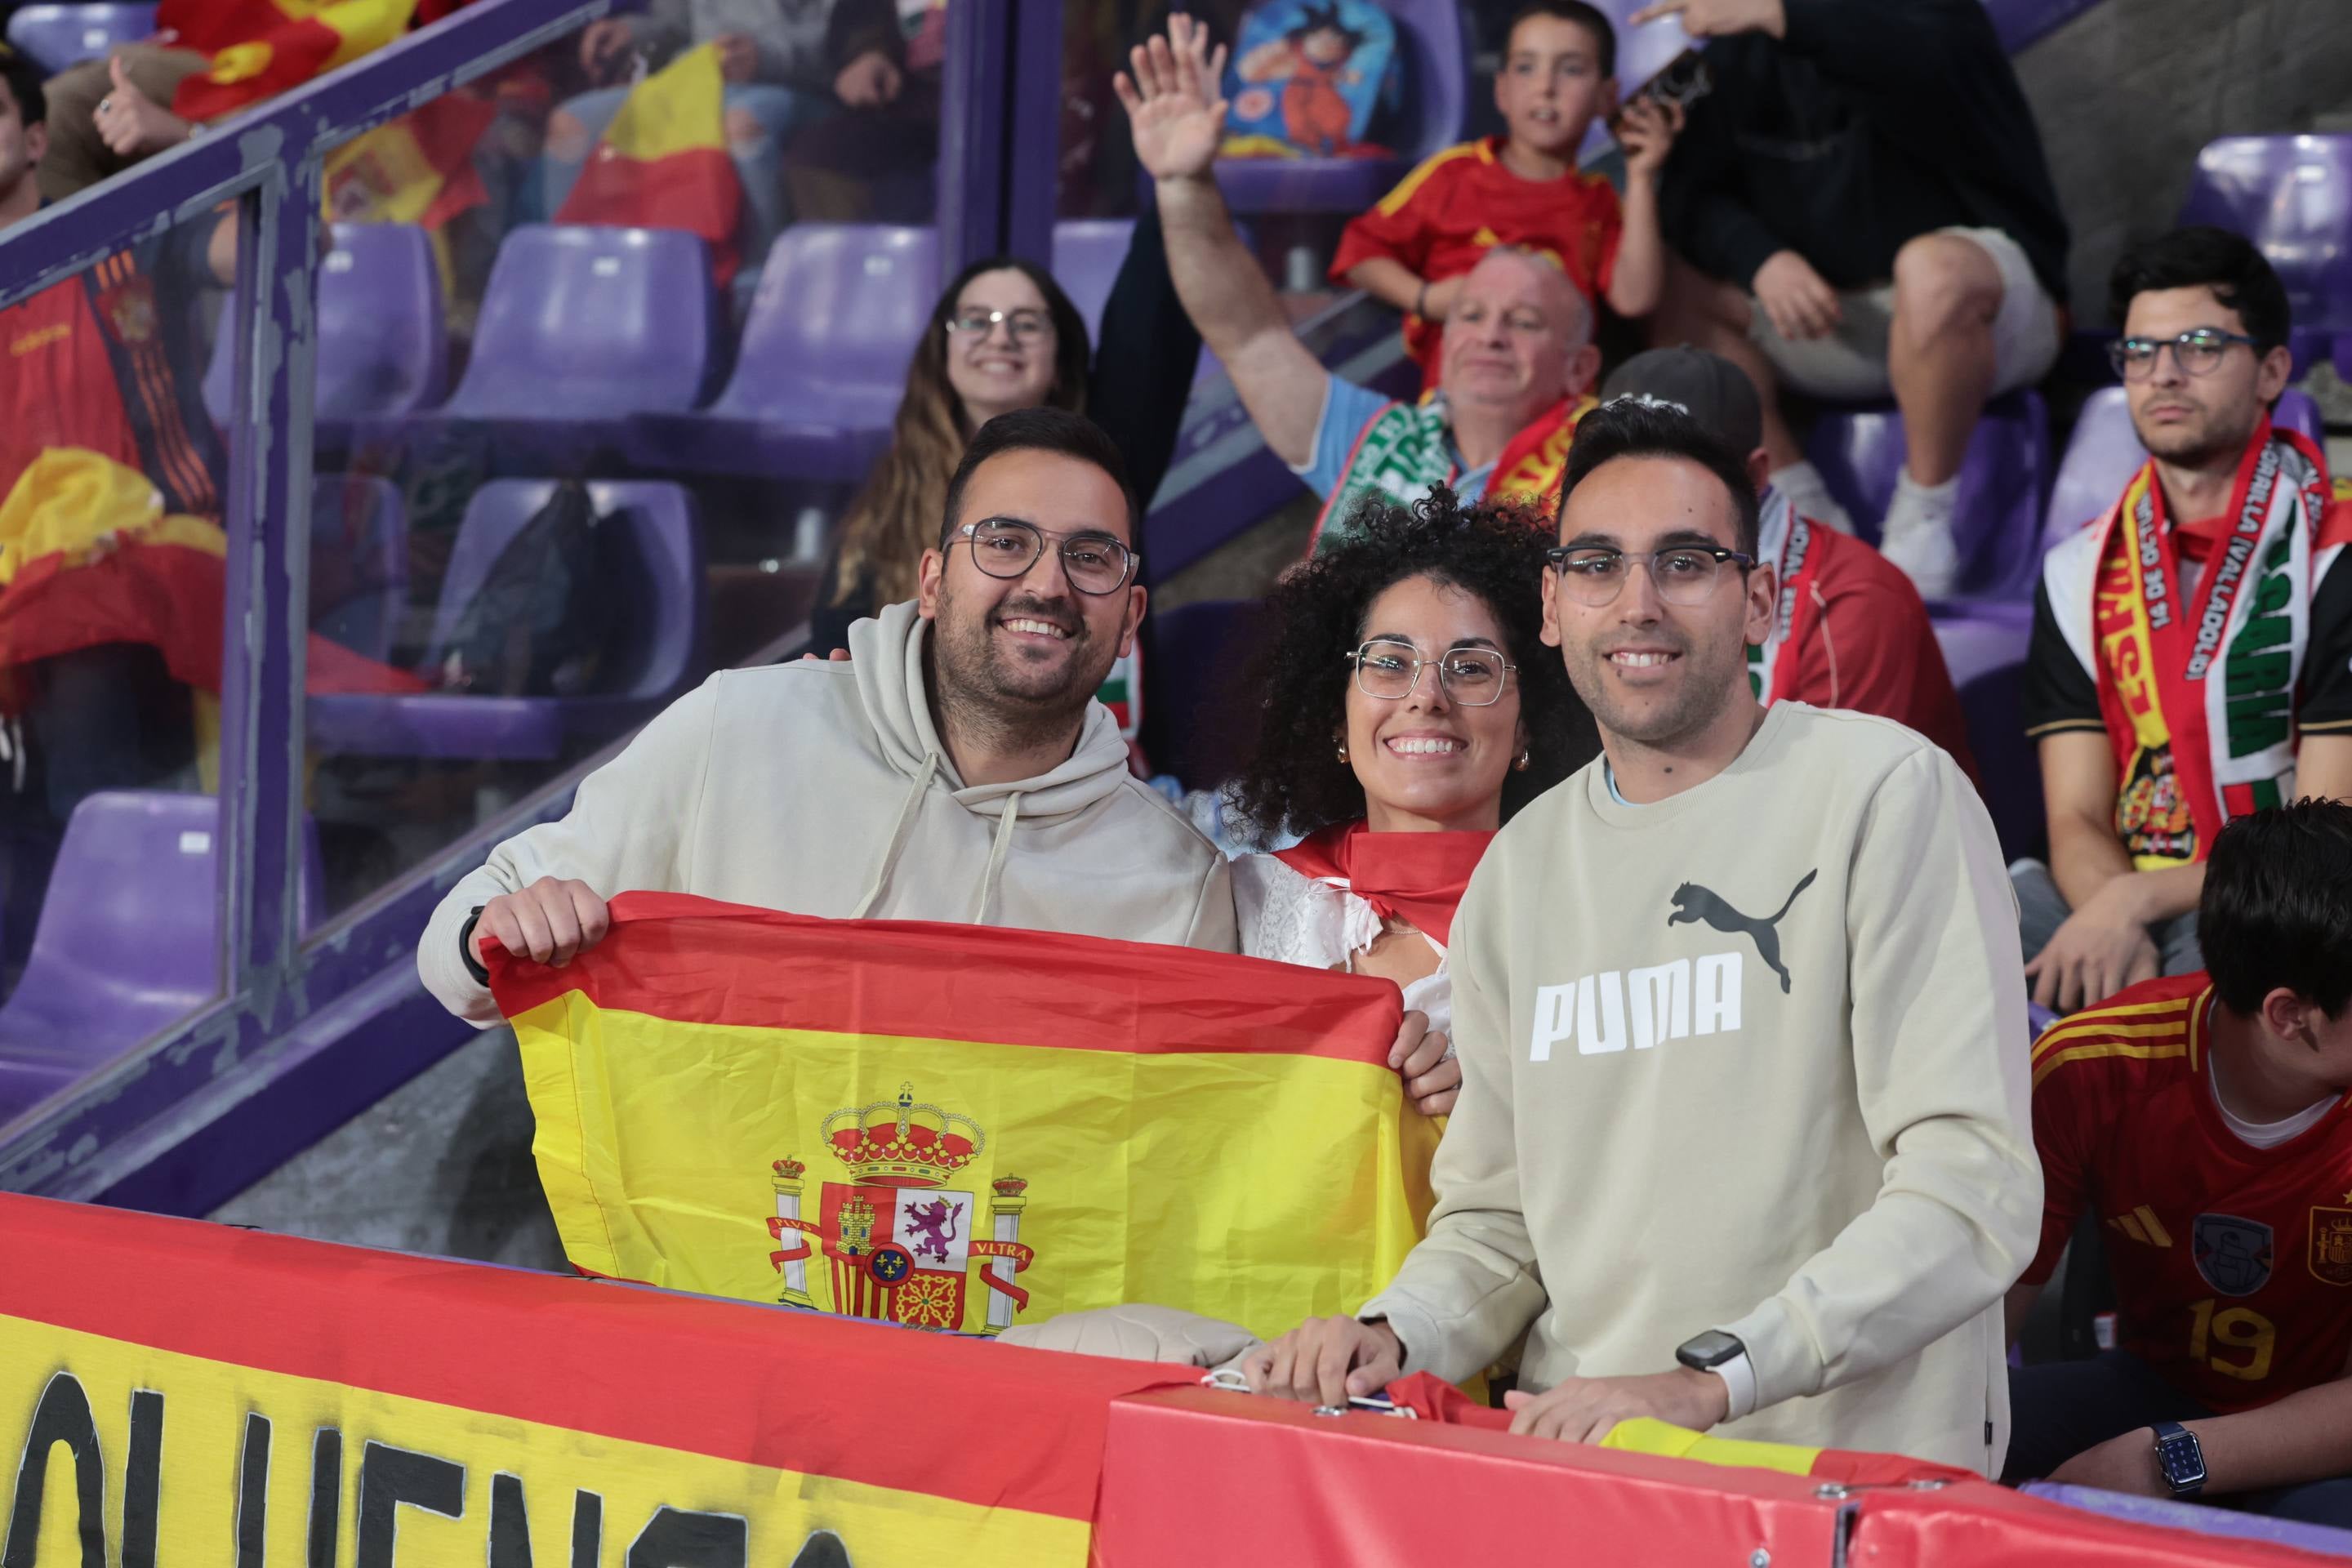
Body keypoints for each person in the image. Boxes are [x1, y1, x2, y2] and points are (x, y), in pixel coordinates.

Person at [1238, 400, 2039, 1475]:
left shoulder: (1886, 791)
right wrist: (1389, 1334)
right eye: (1600, 566)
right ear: (1556, 607)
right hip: (1593, 1470)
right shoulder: (1521, 873)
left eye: (1686, 562)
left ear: (1758, 599)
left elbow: (1971, 1187)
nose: (1640, 603)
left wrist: (1715, 1376)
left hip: (1842, 1475)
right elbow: (1495, 1229)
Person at [417, 409, 1237, 1024]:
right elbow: (470, 927)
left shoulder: (1178, 887)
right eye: (1004, 541)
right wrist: (495, 935)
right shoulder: (735, 729)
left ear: (1130, 617)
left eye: (1090, 557)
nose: (1047, 584)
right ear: (932, 581)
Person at [2018, 229, 2352, 1015]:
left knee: (2245, 957)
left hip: (2293, 904)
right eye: (2138, 351)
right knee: (1951, 919)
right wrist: (2113, 911)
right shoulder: (2078, 571)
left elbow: (2332, 834)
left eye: (2199, 345)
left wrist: (2134, 904)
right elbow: (2074, 815)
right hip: (2126, 892)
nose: (2162, 373)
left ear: (2273, 369)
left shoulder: (2337, 553)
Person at [1119, 17, 1601, 555]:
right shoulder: (1373, 442)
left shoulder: (1604, 473)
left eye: (1525, 321)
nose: (1490, 335)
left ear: (1579, 368)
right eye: (1469, 313)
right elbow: (1249, 337)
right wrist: (1184, 183)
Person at [1637, 0, 2069, 595]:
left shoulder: (1923, 17)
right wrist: (1760, 258)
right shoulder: (1732, 54)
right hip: (1838, 325)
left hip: (1991, 319)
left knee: (1931, 267)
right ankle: (1802, 517)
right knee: (1677, 294)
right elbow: (1690, 198)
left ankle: (1925, 521)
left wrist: (1783, 14)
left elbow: (1926, 65)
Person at [2002, 800, 2352, 1526]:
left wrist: (2170, 1459)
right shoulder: (2092, 1066)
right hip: (2150, 1387)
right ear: (2290, 1016)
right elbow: (1987, 1318)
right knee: (1944, 1441)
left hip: (2327, 1434)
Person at [1225, 486, 1601, 1117]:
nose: (1427, 696)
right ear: (1337, 721)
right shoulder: (1240, 906)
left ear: (1529, 726)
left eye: (1472, 668)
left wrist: (1496, 1120)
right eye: (1390, 663)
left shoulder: (1595, 921)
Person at [1599, 345, 1978, 779]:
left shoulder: (1851, 600)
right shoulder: (1583, 574)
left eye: (1680, 470)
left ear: (1756, 477)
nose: (1641, 493)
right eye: (1615, 466)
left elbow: (1823, 817)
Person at [1334, 2, 1679, 392]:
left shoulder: (1597, 197)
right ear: (1501, 90)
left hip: (1557, 409)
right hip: (1460, 403)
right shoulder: (1455, 174)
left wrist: (1639, 174)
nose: (1545, 87)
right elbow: (1360, 254)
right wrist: (1426, 299)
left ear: (1607, 96)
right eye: (1526, 67)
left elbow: (1635, 299)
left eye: (1571, 69)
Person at [548, 0, 901, 262]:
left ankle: (762, 286)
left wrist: (764, 58)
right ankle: (573, 275)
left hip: (797, 87)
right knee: (570, 127)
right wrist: (632, 33)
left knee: (742, 124)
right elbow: (675, 23)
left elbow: (847, 42)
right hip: (695, 81)